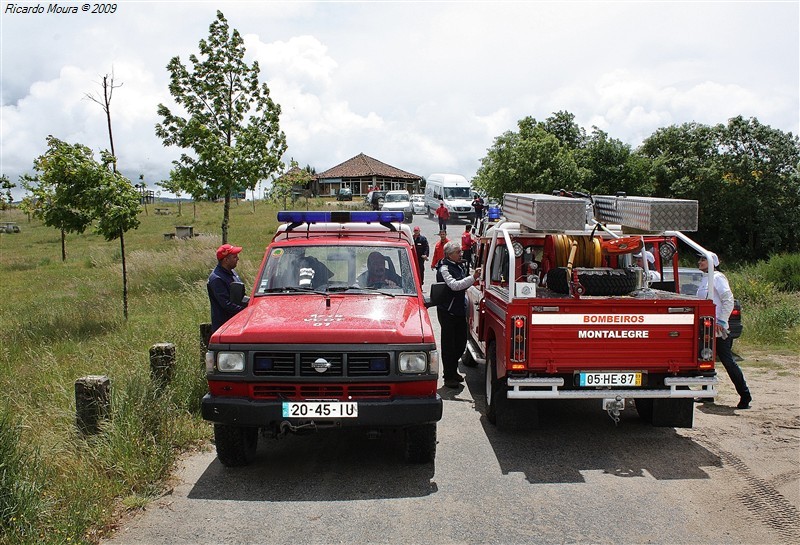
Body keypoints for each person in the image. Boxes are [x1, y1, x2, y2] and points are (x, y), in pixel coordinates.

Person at [697, 252, 751, 409]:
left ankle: (745, 395)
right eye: (699, 259)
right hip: (707, 329)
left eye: (703, 260)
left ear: (712, 263)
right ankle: (708, 393)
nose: (699, 262)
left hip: (718, 329)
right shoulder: (705, 279)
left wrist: (722, 320)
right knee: (707, 360)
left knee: (728, 361)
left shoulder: (718, 277)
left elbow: (728, 299)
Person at [436, 241, 482, 388]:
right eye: (458, 252)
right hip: (448, 312)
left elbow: (465, 282)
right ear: (449, 254)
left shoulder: (459, 265)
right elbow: (455, 286)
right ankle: (448, 376)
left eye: (461, 252)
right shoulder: (444, 268)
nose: (461, 254)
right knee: (449, 345)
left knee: (461, 343)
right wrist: (473, 277)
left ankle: (453, 370)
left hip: (459, 311)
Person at [207, 243, 248, 333]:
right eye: (234, 257)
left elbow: (240, 296)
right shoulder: (216, 279)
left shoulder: (232, 272)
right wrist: (246, 311)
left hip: (237, 323)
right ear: (225, 260)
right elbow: (226, 304)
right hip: (224, 328)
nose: (238, 259)